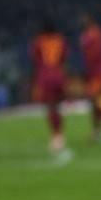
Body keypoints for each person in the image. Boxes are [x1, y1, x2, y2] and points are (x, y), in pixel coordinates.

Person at [30, 19, 70, 157]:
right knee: (58, 107)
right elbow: (64, 59)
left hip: (46, 76)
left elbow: (36, 62)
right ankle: (60, 135)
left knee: (50, 107)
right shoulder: (60, 40)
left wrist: (35, 82)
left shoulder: (39, 41)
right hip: (59, 75)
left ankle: (56, 136)